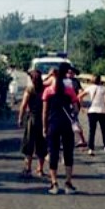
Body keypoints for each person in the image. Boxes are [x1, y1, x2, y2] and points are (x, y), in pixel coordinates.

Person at [42, 62, 79, 195]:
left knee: (53, 153)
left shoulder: (48, 91)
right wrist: (71, 115)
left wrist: (44, 127)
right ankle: (68, 183)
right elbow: (76, 108)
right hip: (66, 125)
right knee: (68, 153)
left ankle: (54, 184)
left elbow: (44, 112)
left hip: (53, 124)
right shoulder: (69, 90)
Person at [17, 69, 47, 177]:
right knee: (41, 144)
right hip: (43, 119)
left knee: (29, 144)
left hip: (32, 119)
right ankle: (40, 169)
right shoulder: (44, 89)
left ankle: (28, 168)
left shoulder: (30, 89)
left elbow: (23, 105)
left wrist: (20, 118)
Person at [78, 74, 105, 156]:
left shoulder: (89, 88)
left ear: (92, 80)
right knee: (103, 129)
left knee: (92, 131)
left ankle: (91, 149)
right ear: (100, 80)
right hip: (102, 111)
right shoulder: (103, 88)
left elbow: (79, 96)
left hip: (92, 111)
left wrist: (82, 107)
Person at [66, 67, 87, 148]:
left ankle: (81, 140)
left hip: (72, 104)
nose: (69, 74)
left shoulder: (74, 82)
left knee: (73, 121)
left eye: (71, 73)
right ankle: (82, 140)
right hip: (72, 104)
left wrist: (81, 105)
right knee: (73, 121)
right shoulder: (74, 81)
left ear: (74, 74)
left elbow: (80, 93)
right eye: (68, 72)